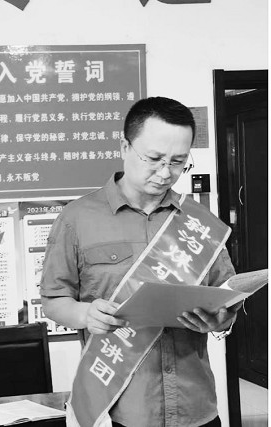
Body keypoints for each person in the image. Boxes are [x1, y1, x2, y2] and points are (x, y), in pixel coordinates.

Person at [40, 96, 237, 427]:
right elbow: (54, 299)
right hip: (120, 409)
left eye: (178, 162)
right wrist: (86, 314)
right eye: (154, 159)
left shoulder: (199, 223)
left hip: (196, 407)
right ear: (124, 146)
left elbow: (225, 295)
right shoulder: (77, 218)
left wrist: (220, 320)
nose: (165, 173)